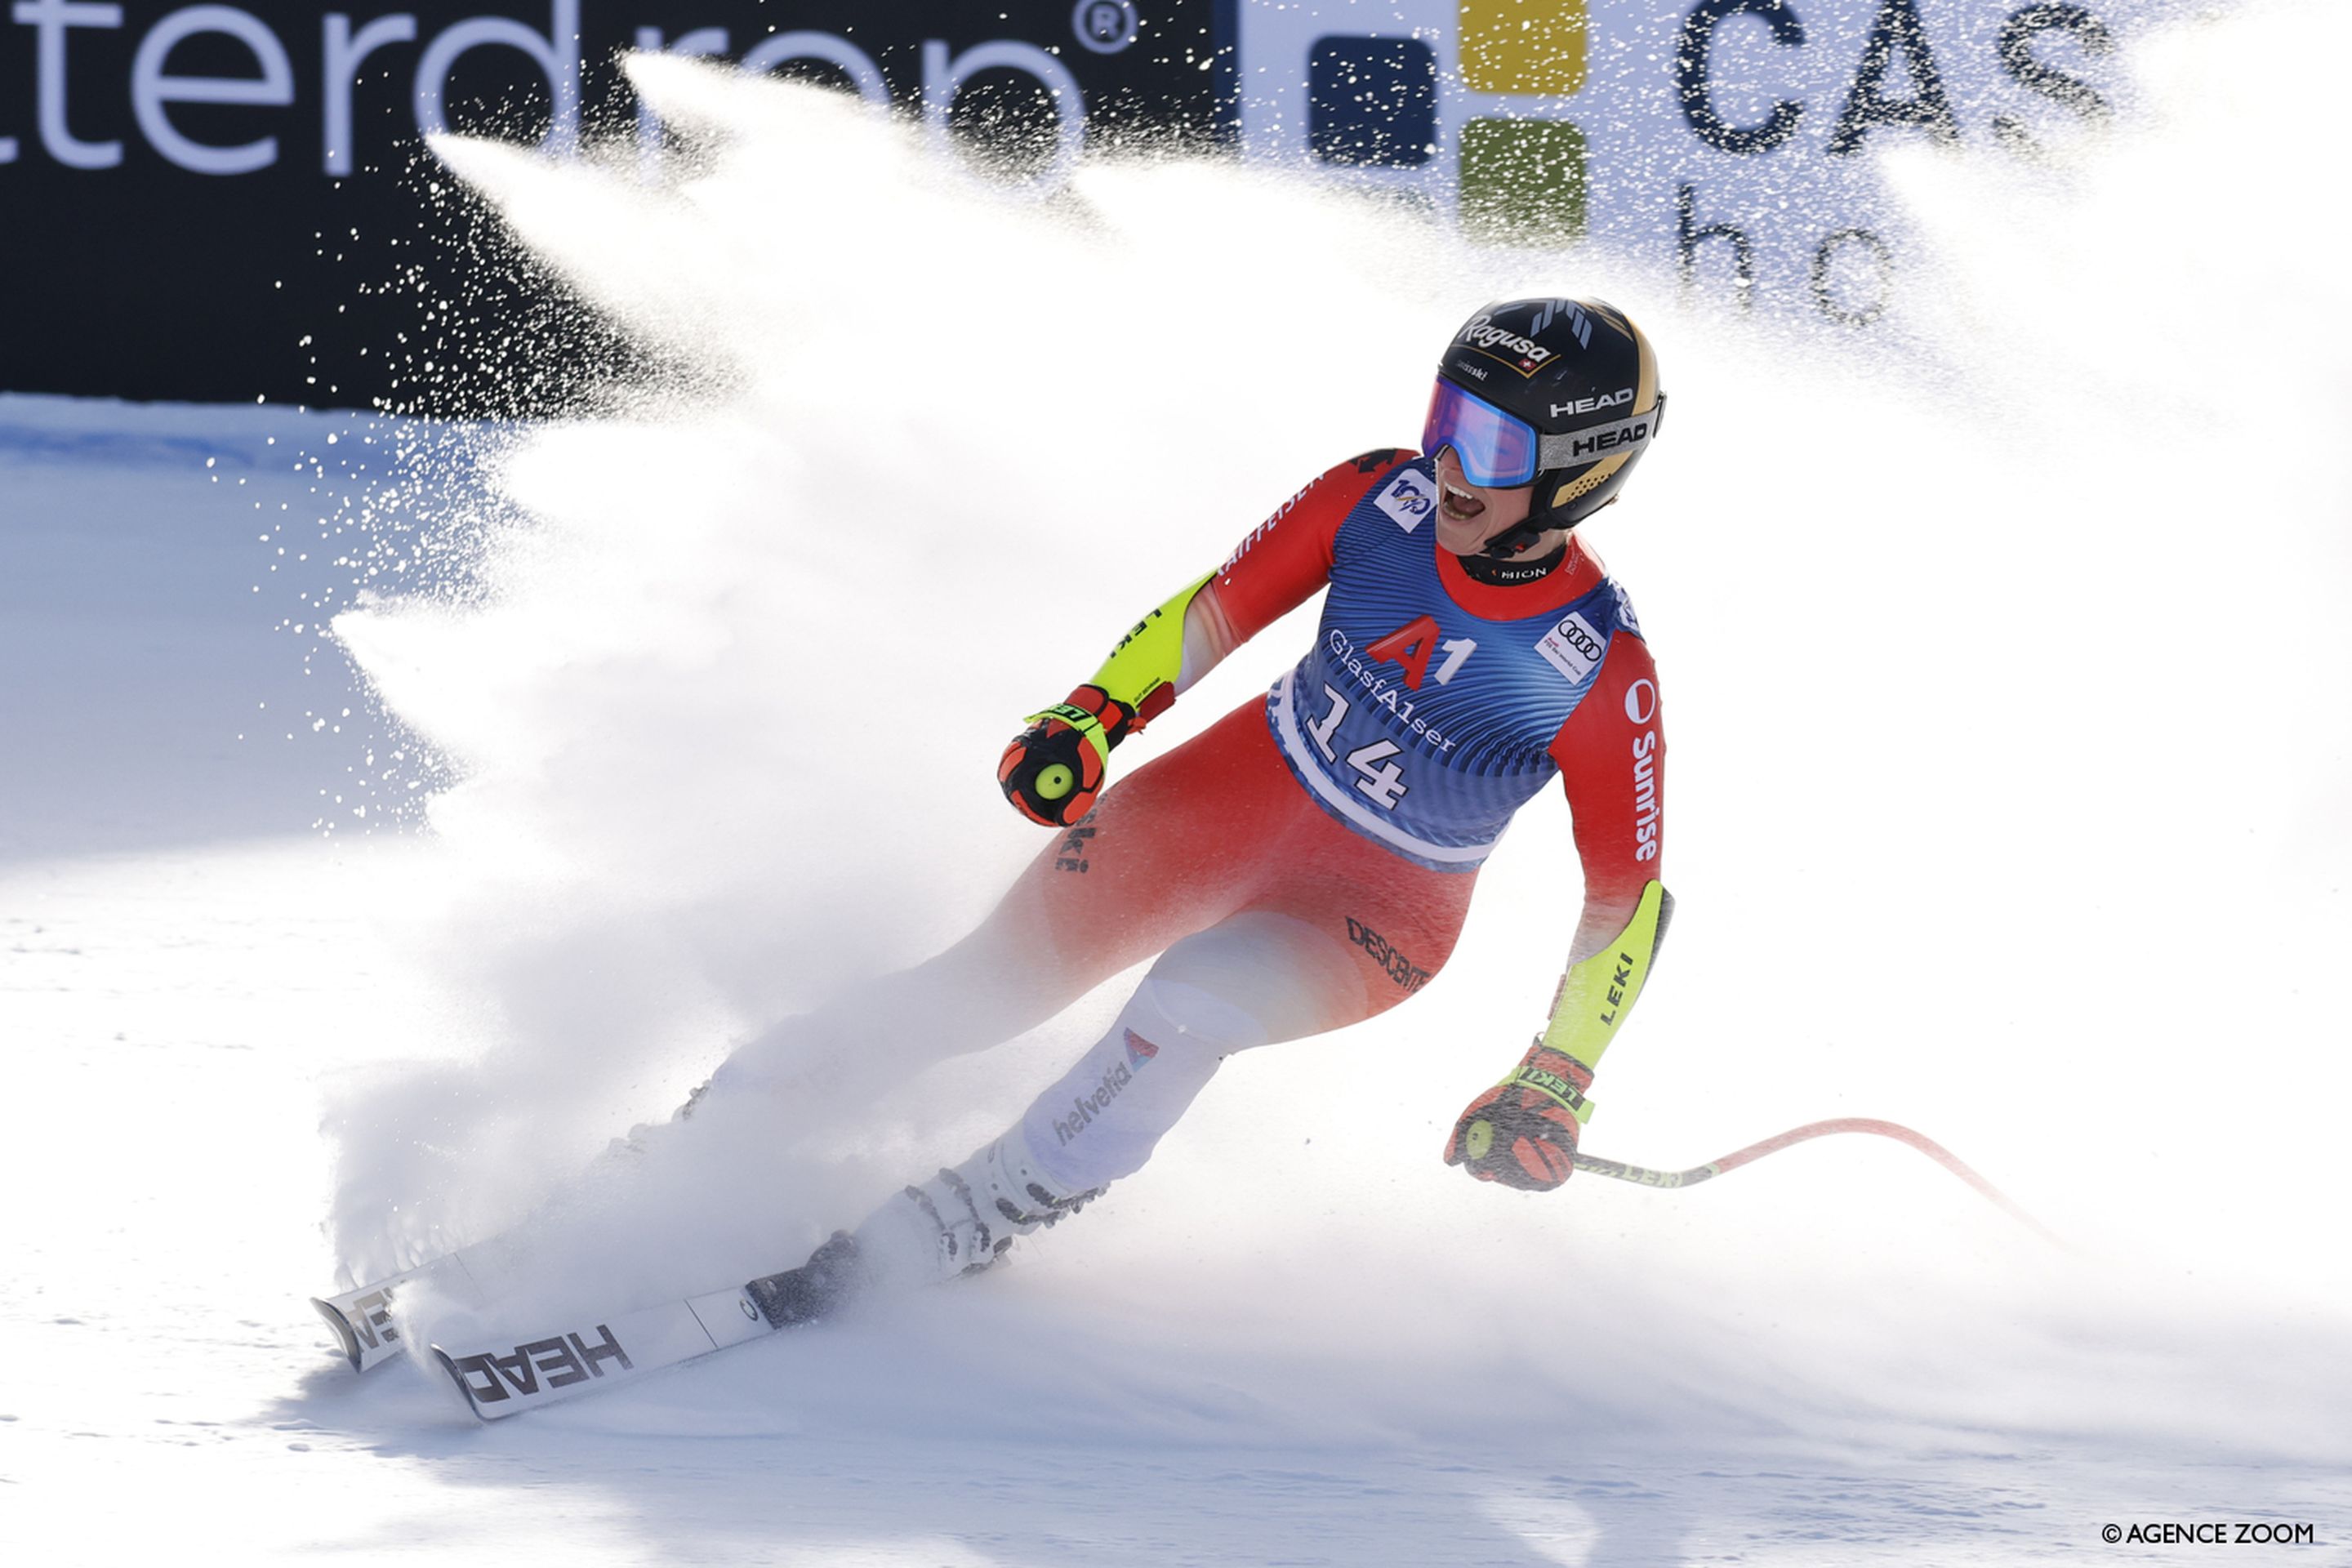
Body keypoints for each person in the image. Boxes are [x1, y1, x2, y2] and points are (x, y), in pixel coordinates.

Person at [727, 296, 1676, 1323]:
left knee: (1192, 1002)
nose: (1448, 464)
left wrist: (1555, 1076)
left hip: (1371, 911)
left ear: (1578, 468)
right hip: (1222, 797)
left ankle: (974, 1216)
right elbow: (1213, 609)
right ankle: (709, 1136)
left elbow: (1628, 896)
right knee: (981, 988)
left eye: (1489, 444)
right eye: (1446, 419)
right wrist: (1090, 718)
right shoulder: (1375, 498)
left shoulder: (1596, 668)